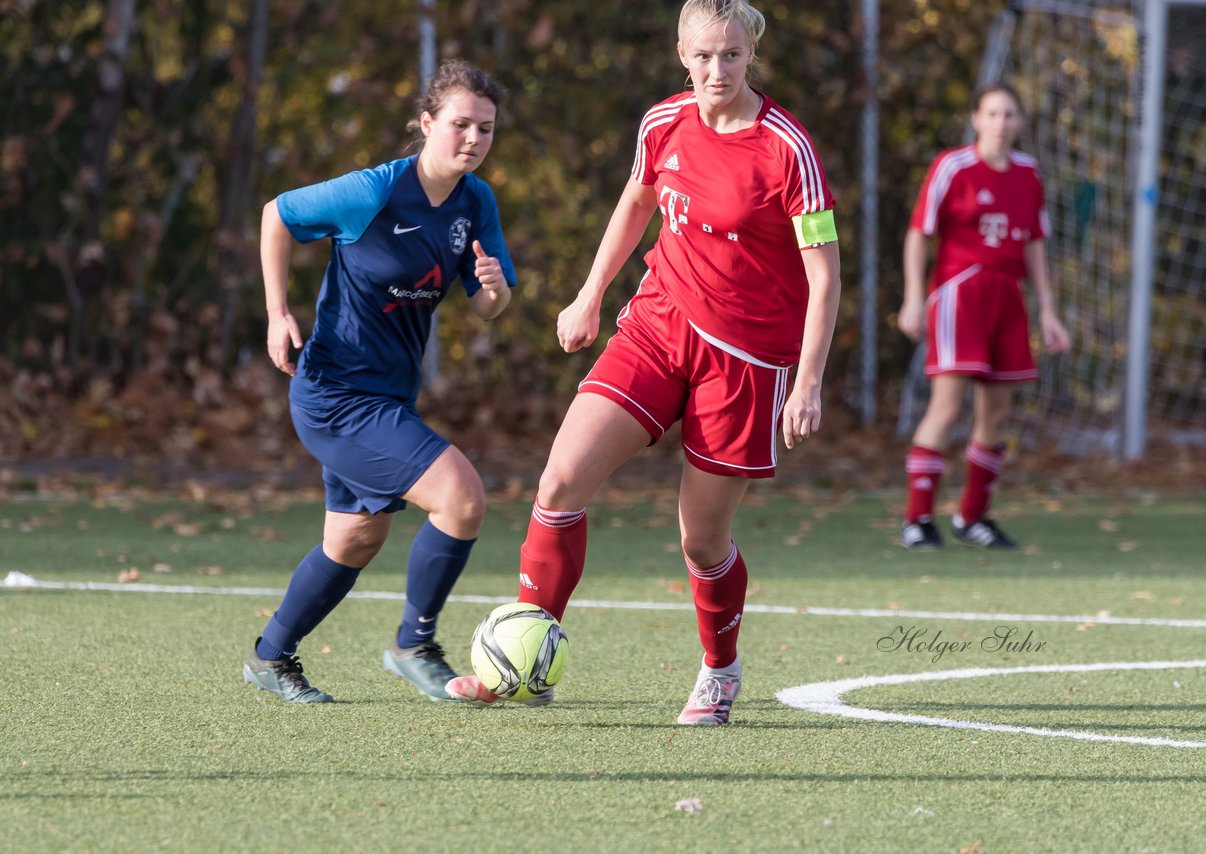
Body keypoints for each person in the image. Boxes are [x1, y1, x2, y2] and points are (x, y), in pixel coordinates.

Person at [444, 0, 841, 725]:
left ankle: (720, 671)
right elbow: (637, 202)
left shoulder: (788, 148)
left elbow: (824, 273)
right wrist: (589, 295)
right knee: (561, 480)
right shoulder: (664, 122)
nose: (714, 70)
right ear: (680, 53)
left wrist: (807, 381)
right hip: (658, 326)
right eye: (701, 56)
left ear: (750, 55)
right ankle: (526, 658)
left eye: (729, 55)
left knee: (702, 538)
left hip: (747, 361)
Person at [242, 60, 517, 703]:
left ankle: (270, 657)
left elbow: (486, 303)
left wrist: (495, 293)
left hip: (389, 394)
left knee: (356, 537)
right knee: (462, 497)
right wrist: (278, 311)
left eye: (485, 128)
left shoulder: (476, 203)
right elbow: (276, 215)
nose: (473, 139)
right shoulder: (375, 190)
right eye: (459, 125)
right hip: (336, 394)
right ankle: (414, 644)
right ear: (426, 125)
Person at [897, 81, 1070, 551]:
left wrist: (1049, 312)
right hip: (960, 294)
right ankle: (917, 519)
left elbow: (1035, 243)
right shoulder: (953, 166)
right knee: (948, 406)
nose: (1001, 123)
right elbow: (919, 233)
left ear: (1020, 122)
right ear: (977, 119)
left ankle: (973, 517)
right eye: (992, 114)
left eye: (1009, 115)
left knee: (997, 414)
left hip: (1007, 297)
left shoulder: (1028, 173)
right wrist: (914, 297)